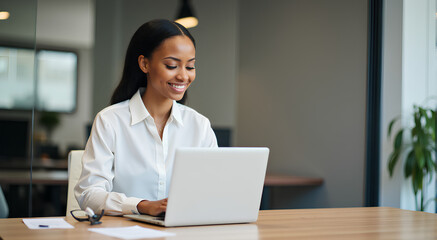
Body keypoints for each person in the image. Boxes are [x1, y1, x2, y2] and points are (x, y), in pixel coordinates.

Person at [74, 19, 218, 216]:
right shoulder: (110, 121)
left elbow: (212, 191)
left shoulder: (199, 126)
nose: (184, 76)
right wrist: (141, 205)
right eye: (171, 65)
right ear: (144, 63)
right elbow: (89, 195)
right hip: (122, 233)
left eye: (190, 67)